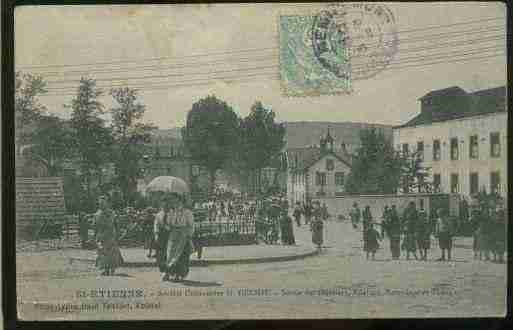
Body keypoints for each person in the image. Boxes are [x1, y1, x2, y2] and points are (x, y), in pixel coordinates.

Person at [159, 194, 195, 282]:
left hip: (183, 234)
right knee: (170, 253)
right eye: (174, 202)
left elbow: (191, 225)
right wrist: (165, 219)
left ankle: (178, 274)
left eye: (177, 201)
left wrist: (189, 235)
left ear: (182, 202)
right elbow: (168, 224)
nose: (175, 203)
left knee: (181, 255)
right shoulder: (171, 212)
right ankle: (167, 273)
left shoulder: (187, 212)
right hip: (173, 234)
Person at [95, 195, 124, 276]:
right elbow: (95, 226)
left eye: (103, 203)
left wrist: (118, 233)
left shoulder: (112, 213)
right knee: (102, 252)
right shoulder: (97, 214)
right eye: (100, 203)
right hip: (101, 235)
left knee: (112, 252)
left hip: (110, 234)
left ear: (107, 203)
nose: (101, 205)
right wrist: (96, 236)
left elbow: (116, 223)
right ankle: (105, 269)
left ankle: (112, 269)